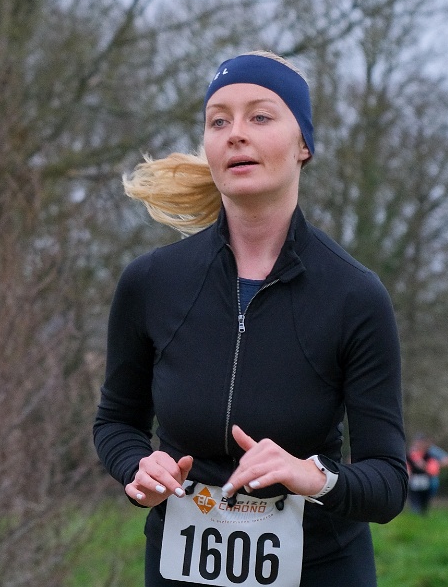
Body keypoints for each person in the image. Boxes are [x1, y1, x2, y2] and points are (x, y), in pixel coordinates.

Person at [93, 51, 407, 586]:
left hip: (322, 569)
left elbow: (388, 481)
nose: (236, 133)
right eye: (219, 121)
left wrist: (313, 477)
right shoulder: (151, 283)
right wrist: (137, 469)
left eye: (260, 116)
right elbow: (116, 422)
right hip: (179, 571)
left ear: (303, 144)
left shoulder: (355, 296)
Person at [406, 435, 448, 515]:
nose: (419, 445)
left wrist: (424, 466)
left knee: (425, 496)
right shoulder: (410, 455)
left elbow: (435, 469)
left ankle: (422, 510)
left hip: (426, 479)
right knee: (414, 496)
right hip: (413, 479)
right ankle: (416, 510)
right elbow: (407, 467)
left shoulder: (431, 454)